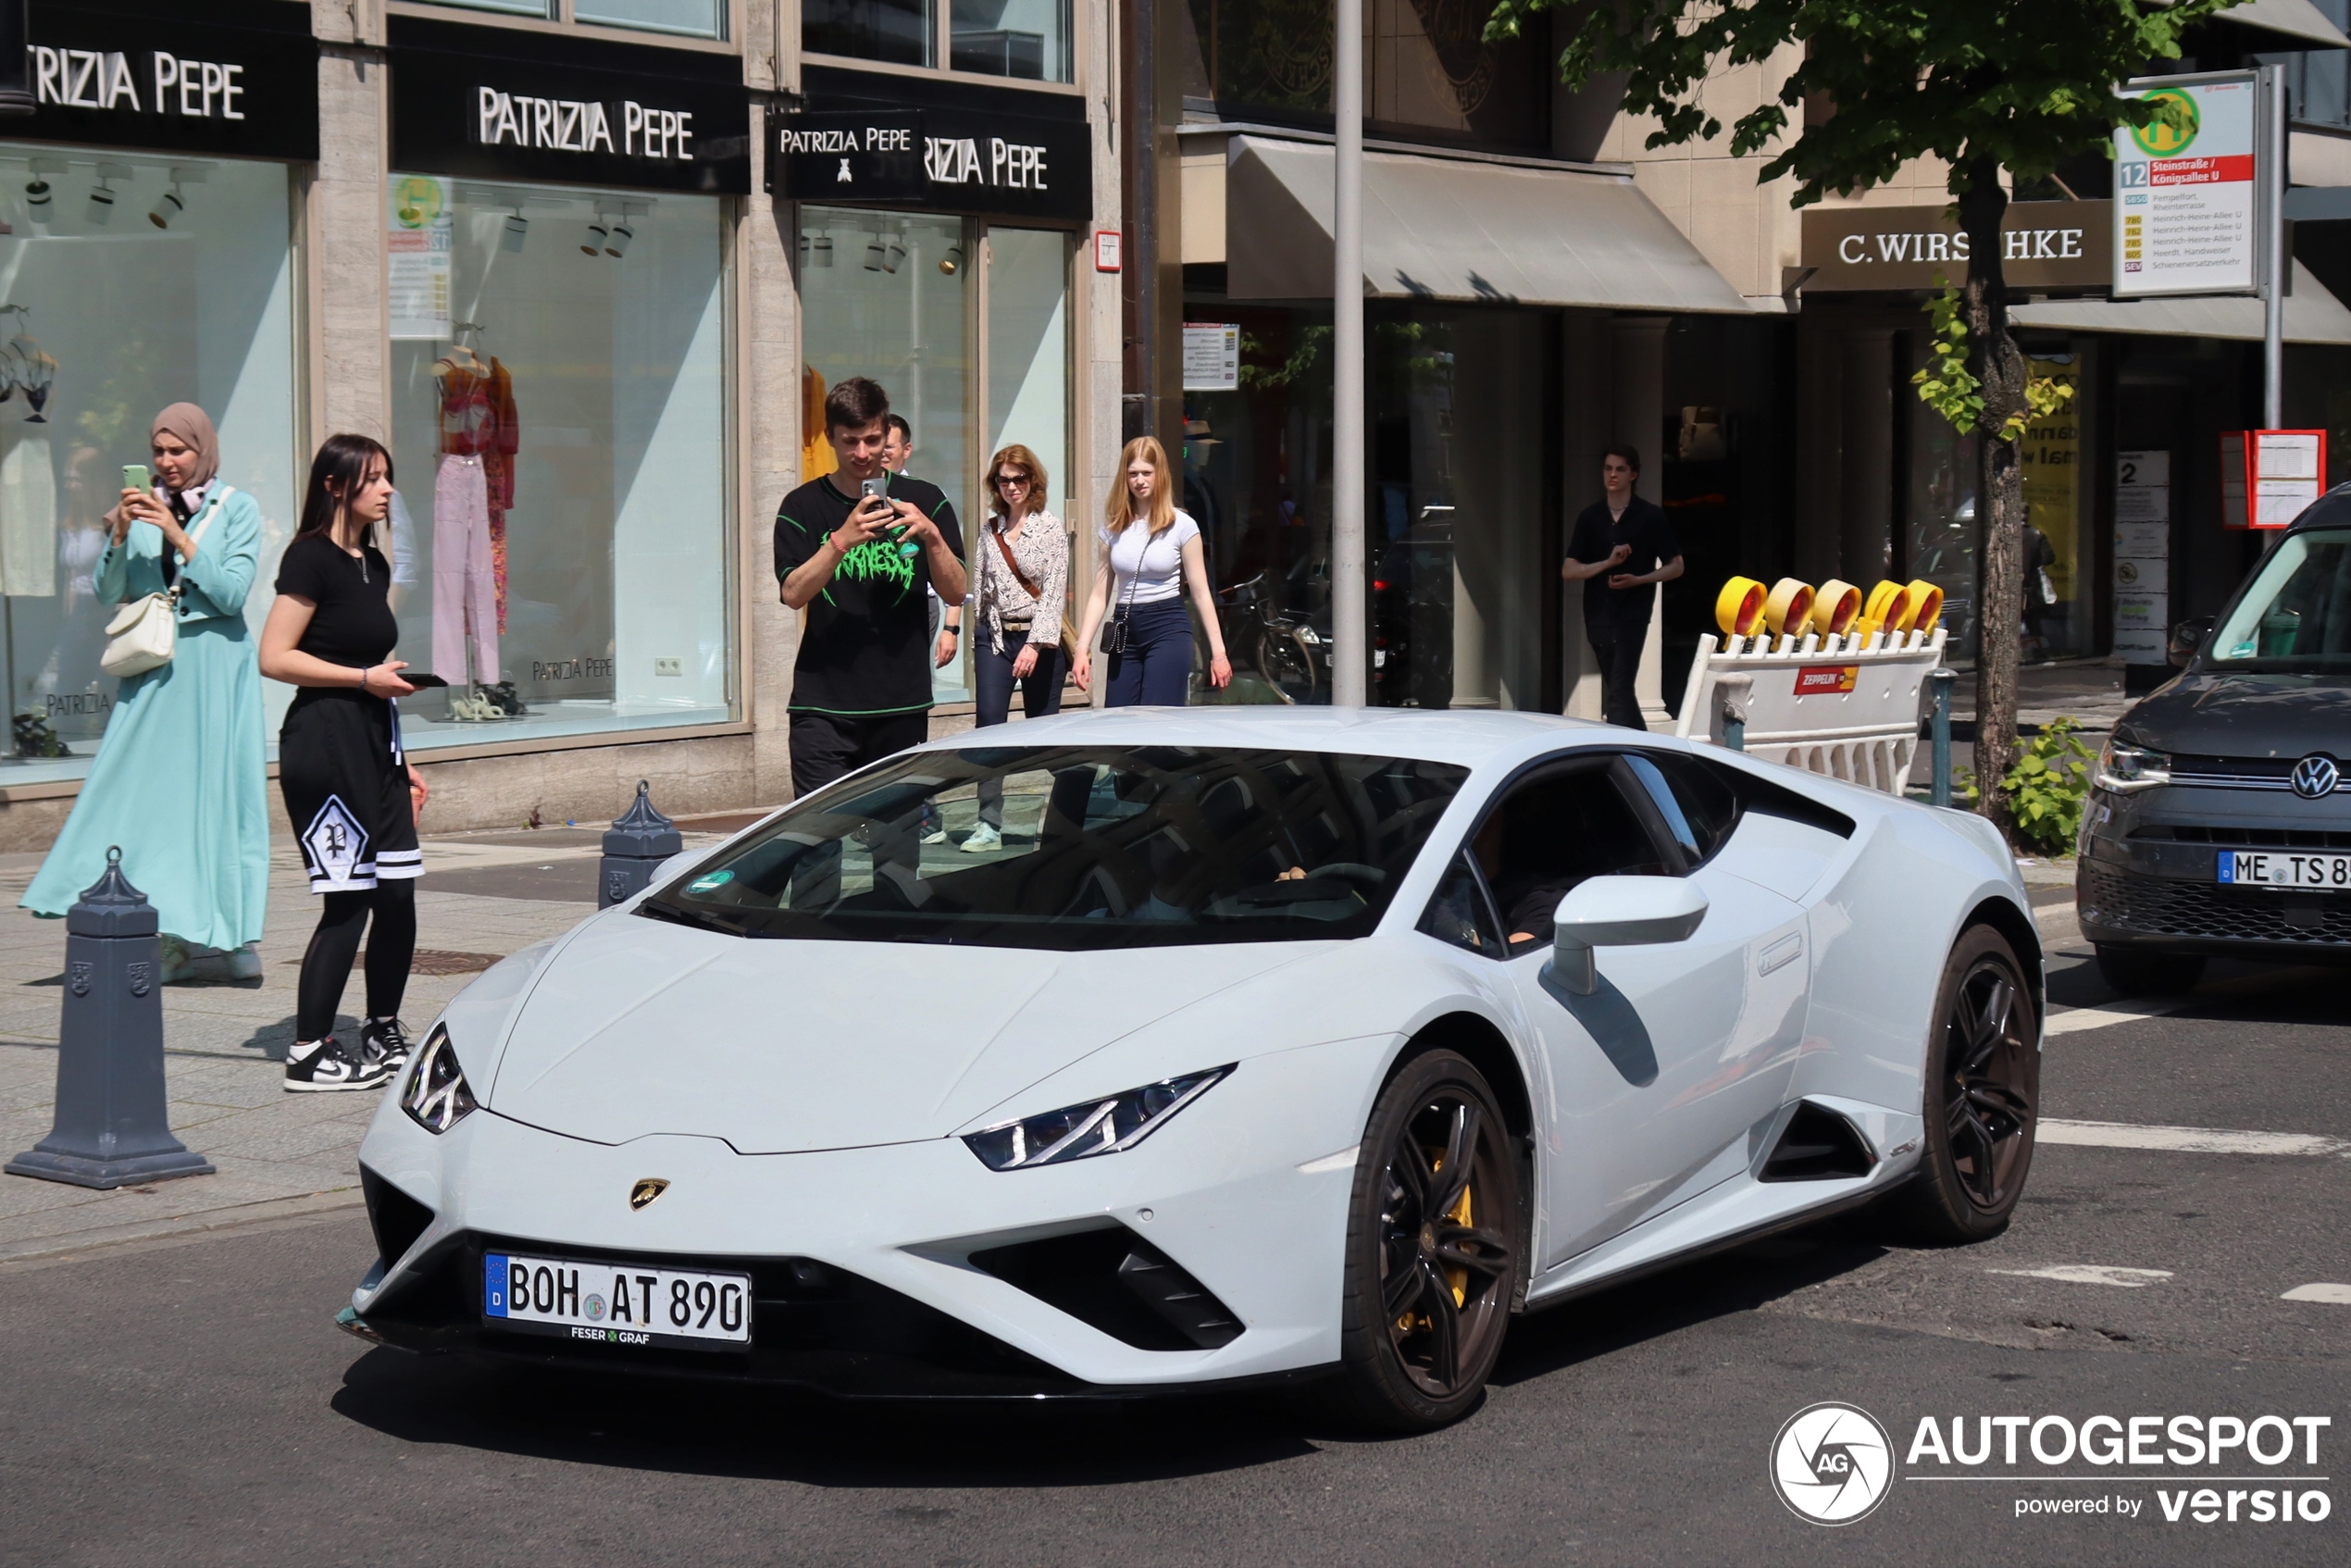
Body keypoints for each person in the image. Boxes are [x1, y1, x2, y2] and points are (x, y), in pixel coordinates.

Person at [20, 404, 269, 985]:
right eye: (158, 452)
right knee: (141, 801)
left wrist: (178, 533)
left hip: (213, 666)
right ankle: (164, 933)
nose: (166, 462)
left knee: (220, 801)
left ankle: (233, 933)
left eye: (177, 451)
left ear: (201, 449)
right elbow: (110, 591)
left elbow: (232, 594)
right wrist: (122, 532)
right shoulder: (138, 509)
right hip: (153, 669)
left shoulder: (237, 507)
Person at [258, 434, 430, 1093]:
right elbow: (275, 657)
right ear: (336, 485)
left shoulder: (373, 564)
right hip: (324, 746)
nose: (387, 490)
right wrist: (362, 679)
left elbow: (375, 673)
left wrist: (402, 760)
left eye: (390, 477)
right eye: (374, 479)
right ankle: (308, 1050)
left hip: (374, 746)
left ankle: (381, 1027)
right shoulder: (309, 559)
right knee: (348, 900)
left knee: (398, 896)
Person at [774, 377, 967, 797]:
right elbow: (792, 594)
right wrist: (840, 540)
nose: (862, 453)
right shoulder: (802, 506)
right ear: (830, 437)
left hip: (900, 704)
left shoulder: (925, 499)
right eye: (850, 441)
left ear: (888, 436)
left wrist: (931, 536)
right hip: (821, 706)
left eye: (872, 440)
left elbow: (956, 592)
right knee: (816, 847)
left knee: (895, 849)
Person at [962, 443, 1069, 852]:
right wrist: (976, 638)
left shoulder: (1051, 528)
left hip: (1037, 640)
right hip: (995, 638)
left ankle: (1067, 817)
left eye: (1019, 479)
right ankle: (988, 824)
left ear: (1032, 481)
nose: (1011, 487)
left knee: (1047, 737)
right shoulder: (990, 531)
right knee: (988, 731)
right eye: (1004, 480)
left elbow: (1055, 591)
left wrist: (1037, 645)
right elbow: (979, 588)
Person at [1073, 437, 1231, 705]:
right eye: (1133, 473)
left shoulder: (1182, 525)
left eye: (1147, 473)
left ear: (1160, 475)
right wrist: (1081, 647)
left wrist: (1219, 653)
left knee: (1158, 718)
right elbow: (1100, 594)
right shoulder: (1112, 528)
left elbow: (1202, 592)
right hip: (1126, 626)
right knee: (1119, 717)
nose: (1139, 481)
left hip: (1167, 624)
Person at [1562, 444, 1682, 729]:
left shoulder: (1650, 516)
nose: (1612, 475)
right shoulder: (1590, 518)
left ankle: (1624, 753)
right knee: (1620, 692)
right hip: (1598, 615)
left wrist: (1639, 579)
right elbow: (1569, 570)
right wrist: (1606, 563)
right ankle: (1644, 746)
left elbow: (1676, 565)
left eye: (1620, 469)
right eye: (1608, 468)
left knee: (1619, 688)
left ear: (1634, 474)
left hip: (1633, 614)